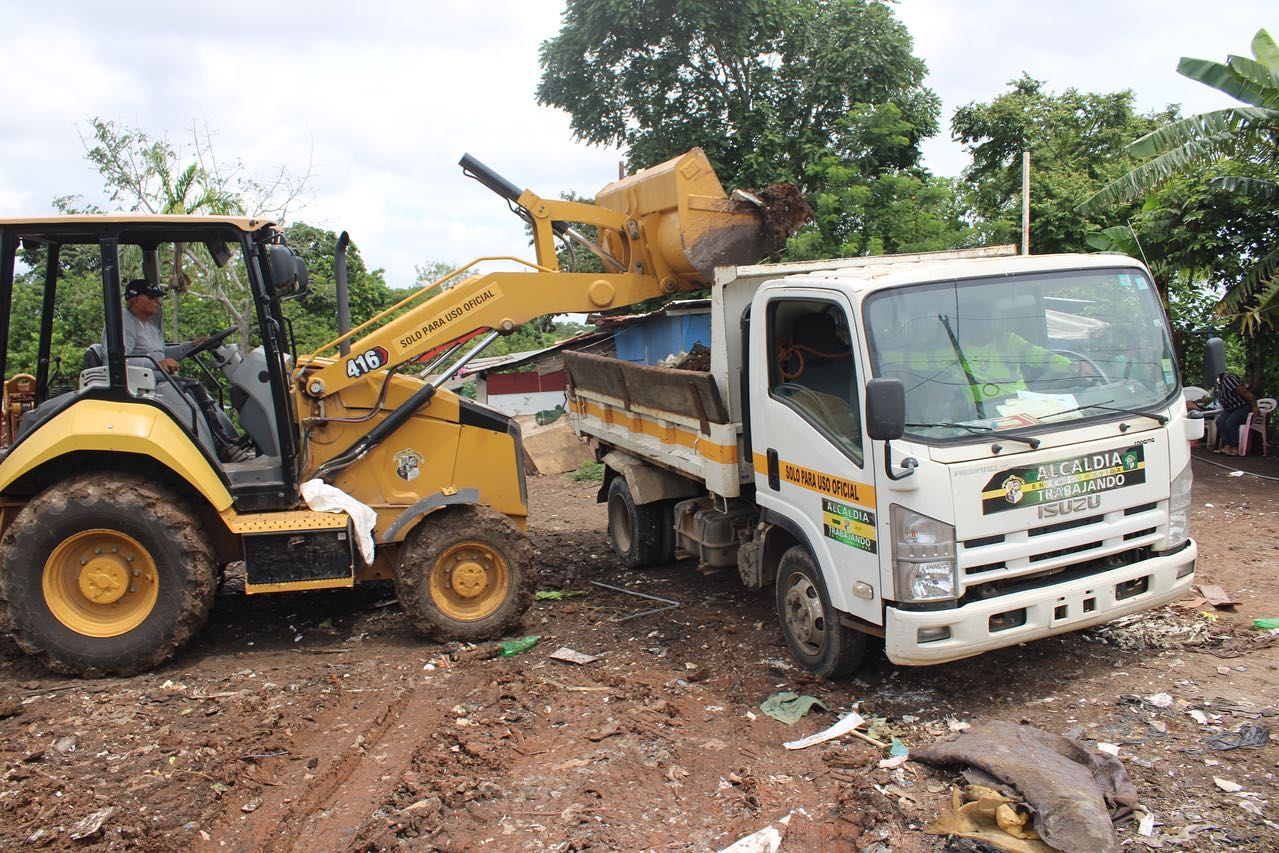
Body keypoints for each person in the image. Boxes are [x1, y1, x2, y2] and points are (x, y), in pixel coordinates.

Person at [111, 279, 239, 454]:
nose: (157, 301)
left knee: (195, 388)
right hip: (136, 381)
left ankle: (224, 439)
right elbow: (117, 360)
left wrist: (191, 345)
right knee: (193, 386)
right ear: (134, 299)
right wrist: (158, 364)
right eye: (152, 297)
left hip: (151, 376)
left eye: (158, 298)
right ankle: (219, 445)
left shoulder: (149, 326)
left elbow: (162, 353)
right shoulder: (124, 324)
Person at [1212, 369, 1259, 456]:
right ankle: (1227, 445)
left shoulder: (1228, 380)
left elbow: (1245, 392)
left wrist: (1254, 406)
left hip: (1242, 406)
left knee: (1230, 423)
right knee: (1220, 422)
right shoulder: (1219, 384)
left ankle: (1235, 447)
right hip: (1230, 409)